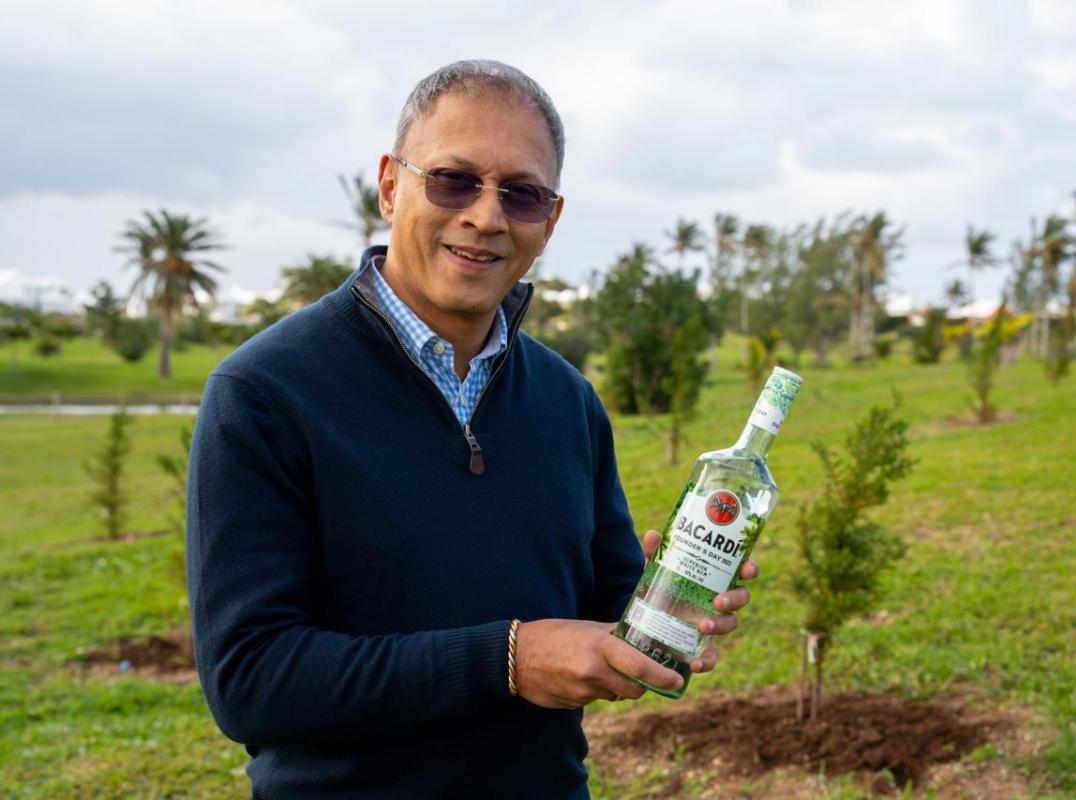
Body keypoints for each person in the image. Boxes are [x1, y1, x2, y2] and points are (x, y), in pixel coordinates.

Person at [187, 59, 757, 799]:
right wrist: (508, 660)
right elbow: (251, 680)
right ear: (391, 185)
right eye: (453, 180)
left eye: (521, 194)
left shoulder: (567, 399)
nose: (486, 216)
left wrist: (668, 604)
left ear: (548, 221)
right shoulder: (264, 393)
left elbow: (605, 601)